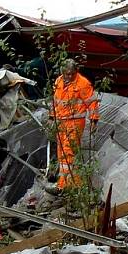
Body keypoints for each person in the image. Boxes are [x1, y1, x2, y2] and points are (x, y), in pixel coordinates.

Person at [49, 58, 99, 193]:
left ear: (76, 71)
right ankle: (74, 185)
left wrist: (94, 120)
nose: (69, 76)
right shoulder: (58, 81)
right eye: (67, 73)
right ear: (62, 72)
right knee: (62, 154)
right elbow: (55, 100)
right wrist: (51, 116)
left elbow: (92, 102)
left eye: (72, 73)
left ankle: (63, 187)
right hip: (61, 121)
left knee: (68, 153)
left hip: (75, 122)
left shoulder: (83, 83)